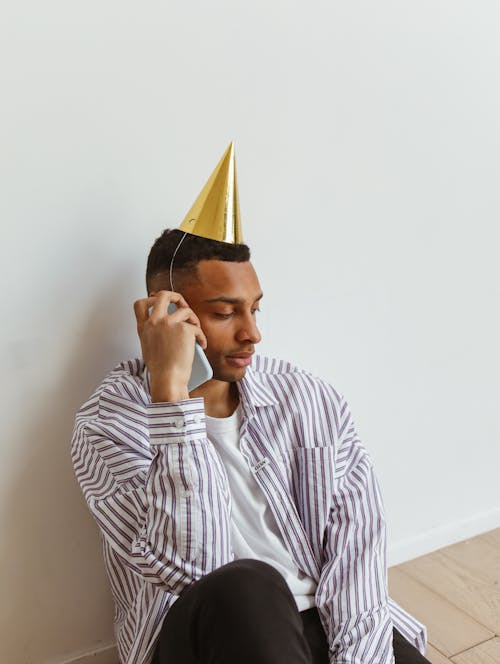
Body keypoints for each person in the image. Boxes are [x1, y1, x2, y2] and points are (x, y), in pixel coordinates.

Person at [72, 145, 430, 664]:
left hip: (323, 624)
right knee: (249, 585)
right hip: (206, 632)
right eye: (224, 313)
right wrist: (172, 398)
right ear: (165, 314)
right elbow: (194, 566)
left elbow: (359, 552)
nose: (252, 333)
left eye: (255, 309)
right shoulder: (107, 426)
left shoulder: (304, 397)